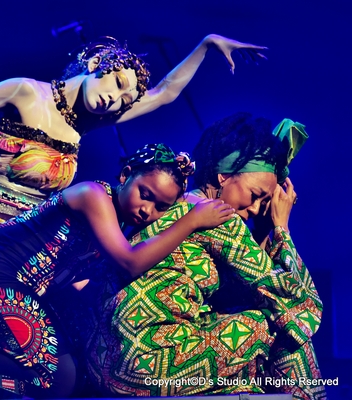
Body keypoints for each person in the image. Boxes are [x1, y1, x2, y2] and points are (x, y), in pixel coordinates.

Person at [0, 34, 266, 389]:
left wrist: (206, 45)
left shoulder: (86, 121)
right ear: (96, 63)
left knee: (27, 358)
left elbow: (165, 93)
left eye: (126, 98)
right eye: (117, 83)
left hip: (38, 245)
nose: (116, 100)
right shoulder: (28, 93)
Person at [0, 143, 235, 400]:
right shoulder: (93, 195)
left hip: (15, 285)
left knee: (65, 378)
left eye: (161, 207)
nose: (147, 210)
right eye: (145, 195)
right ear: (125, 176)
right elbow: (130, 262)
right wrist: (191, 221)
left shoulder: (119, 223)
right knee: (57, 376)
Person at [86, 113, 326, 400]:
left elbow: (241, 295)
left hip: (104, 362)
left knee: (250, 369)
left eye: (264, 202)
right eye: (255, 195)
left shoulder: (174, 206)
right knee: (287, 324)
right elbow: (296, 299)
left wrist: (263, 229)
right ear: (224, 175)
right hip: (145, 361)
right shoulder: (219, 218)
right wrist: (281, 228)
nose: (254, 209)